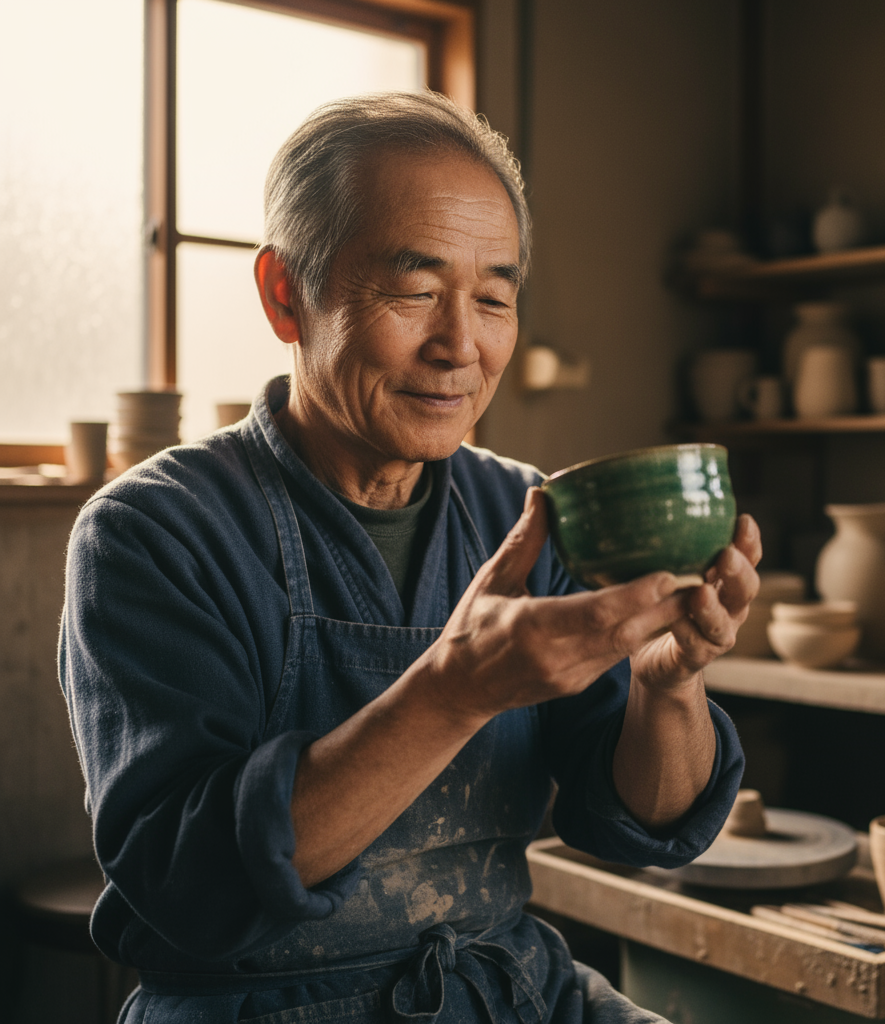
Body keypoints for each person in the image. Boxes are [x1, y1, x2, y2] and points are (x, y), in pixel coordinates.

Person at [59, 91, 760, 1024]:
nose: (460, 346)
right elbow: (191, 884)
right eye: (415, 292)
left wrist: (667, 686)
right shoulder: (155, 530)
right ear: (285, 294)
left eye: (494, 300)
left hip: (504, 985)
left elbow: (637, 822)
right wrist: (456, 688)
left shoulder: (521, 513)